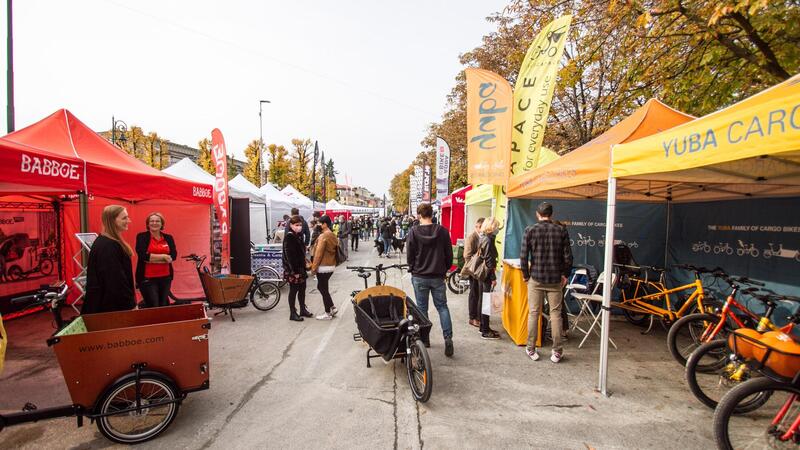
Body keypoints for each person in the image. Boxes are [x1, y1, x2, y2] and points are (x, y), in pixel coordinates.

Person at [520, 202, 573, 363]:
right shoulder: (561, 230)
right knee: (556, 315)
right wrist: (565, 274)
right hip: (555, 279)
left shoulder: (530, 230)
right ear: (551, 214)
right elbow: (568, 257)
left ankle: (530, 348)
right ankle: (557, 351)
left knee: (533, 313)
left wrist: (526, 275)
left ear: (538, 214)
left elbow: (523, 256)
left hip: (536, 278)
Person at [406, 203, 454, 357]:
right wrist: (445, 268)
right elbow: (449, 253)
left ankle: (424, 338)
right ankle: (448, 338)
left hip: (420, 276)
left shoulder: (413, 232)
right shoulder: (443, 231)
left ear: (419, 215)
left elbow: (410, 255)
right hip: (437, 276)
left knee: (421, 309)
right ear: (432, 214)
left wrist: (412, 268)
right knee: (442, 307)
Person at [83, 205, 136, 314]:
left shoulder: (107, 242)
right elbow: (116, 281)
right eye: (124, 218)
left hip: (111, 307)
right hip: (112, 309)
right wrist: (130, 305)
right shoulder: (108, 246)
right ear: (112, 220)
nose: (128, 221)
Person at [135, 212, 177, 308]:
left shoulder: (168, 238)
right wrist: (164, 257)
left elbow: (173, 256)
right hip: (147, 279)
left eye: (157, 221)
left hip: (166, 277)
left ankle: (163, 323)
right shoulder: (141, 237)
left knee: (163, 305)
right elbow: (143, 256)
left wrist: (152, 258)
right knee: (154, 305)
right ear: (148, 224)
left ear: (162, 224)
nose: (154, 223)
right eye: (152, 221)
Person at [283, 215, 313, 321]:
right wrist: (294, 271)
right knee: (293, 290)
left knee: (302, 289)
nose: (299, 227)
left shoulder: (299, 235)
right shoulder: (289, 236)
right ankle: (292, 313)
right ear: (291, 225)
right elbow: (289, 256)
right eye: (296, 225)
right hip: (293, 269)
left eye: (300, 225)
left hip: (301, 267)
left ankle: (302, 309)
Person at [311, 215, 339, 320]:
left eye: (319, 223)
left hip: (323, 266)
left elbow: (318, 254)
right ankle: (332, 307)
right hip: (331, 265)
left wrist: (314, 268)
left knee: (322, 288)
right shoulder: (332, 235)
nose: (318, 225)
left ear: (324, 224)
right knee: (323, 287)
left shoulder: (323, 236)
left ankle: (328, 312)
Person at [477, 218, 501, 340]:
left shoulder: (483, 237)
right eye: (496, 226)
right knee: (486, 301)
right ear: (491, 227)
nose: (498, 229)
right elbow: (489, 260)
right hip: (486, 274)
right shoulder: (488, 239)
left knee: (483, 300)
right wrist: (493, 277)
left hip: (483, 274)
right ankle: (485, 330)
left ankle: (483, 326)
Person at [461, 217, 485, 328]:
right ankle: (473, 317)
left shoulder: (482, 237)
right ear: (478, 227)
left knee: (478, 294)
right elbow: (467, 255)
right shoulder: (471, 237)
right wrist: (477, 262)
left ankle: (478, 316)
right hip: (473, 270)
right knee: (474, 293)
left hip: (480, 271)